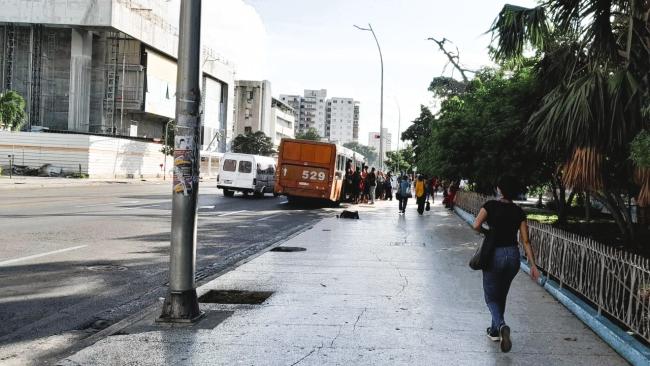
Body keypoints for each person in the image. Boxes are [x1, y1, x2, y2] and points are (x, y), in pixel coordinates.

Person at [472, 176, 540, 353]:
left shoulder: (490, 206)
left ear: (499, 189)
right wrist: (533, 265)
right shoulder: (519, 212)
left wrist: (488, 233)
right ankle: (494, 331)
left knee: (491, 297)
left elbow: (476, 225)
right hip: (513, 256)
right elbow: (526, 240)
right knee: (501, 295)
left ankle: (501, 325)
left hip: (494, 254)